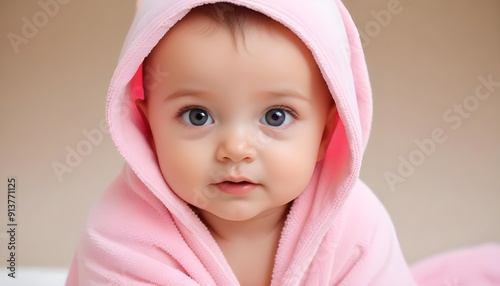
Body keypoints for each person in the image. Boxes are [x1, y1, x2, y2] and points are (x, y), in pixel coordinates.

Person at [66, 0, 500, 285]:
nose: (236, 148)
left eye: (276, 116)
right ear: (147, 127)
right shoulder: (120, 234)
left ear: (328, 129)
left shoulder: (354, 225)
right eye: (197, 115)